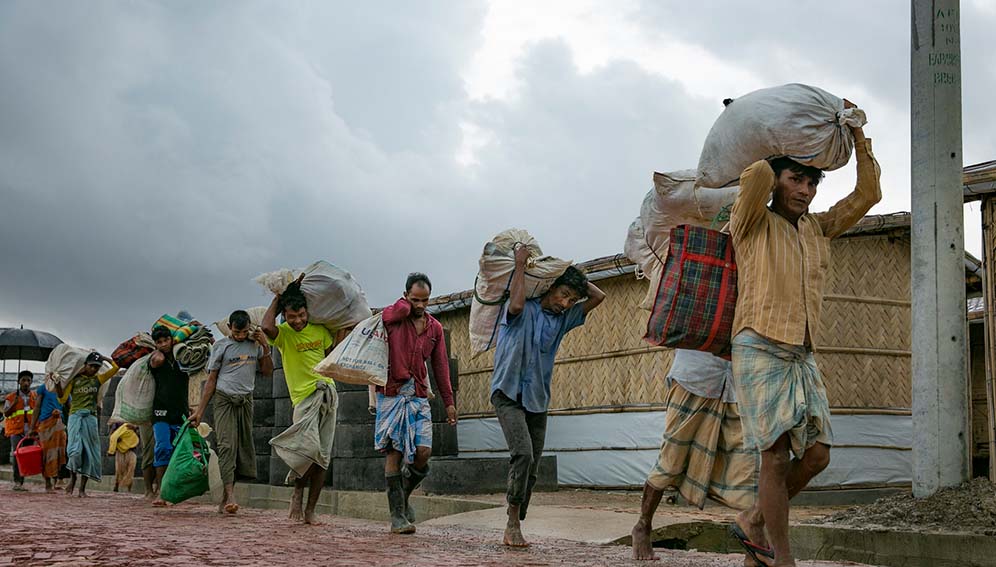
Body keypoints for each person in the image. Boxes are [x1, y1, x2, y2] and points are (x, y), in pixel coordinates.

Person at [728, 105, 881, 567]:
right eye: (796, 178)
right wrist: (779, 142)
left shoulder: (819, 228)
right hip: (758, 343)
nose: (806, 190)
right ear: (777, 181)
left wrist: (857, 137)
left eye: (812, 182)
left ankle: (754, 518)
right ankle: (783, 558)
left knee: (817, 455)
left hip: (801, 353)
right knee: (773, 458)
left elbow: (868, 194)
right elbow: (754, 173)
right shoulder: (751, 220)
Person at [490, 251, 606, 547]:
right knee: (523, 454)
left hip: (537, 399)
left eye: (570, 300)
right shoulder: (522, 308)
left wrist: (569, 271)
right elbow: (515, 303)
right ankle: (512, 523)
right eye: (563, 295)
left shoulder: (562, 320)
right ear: (550, 287)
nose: (565, 303)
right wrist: (520, 265)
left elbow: (598, 296)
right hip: (507, 393)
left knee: (534, 466)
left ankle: (517, 514)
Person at [631, 349, 759, 561]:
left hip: (737, 385)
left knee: (745, 465)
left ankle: (755, 549)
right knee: (671, 459)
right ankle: (643, 525)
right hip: (694, 377)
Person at [377, 273, 458, 534]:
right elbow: (388, 316)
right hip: (391, 393)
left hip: (419, 394)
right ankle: (397, 517)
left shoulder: (434, 328)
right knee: (394, 451)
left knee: (423, 452)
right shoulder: (395, 317)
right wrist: (405, 305)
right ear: (405, 295)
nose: (421, 305)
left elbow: (441, 366)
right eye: (415, 299)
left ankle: (403, 496)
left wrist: (449, 402)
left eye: (425, 300)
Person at [263, 278, 341, 525]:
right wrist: (279, 296)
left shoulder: (319, 330)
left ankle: (311, 510)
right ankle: (296, 492)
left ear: (308, 312)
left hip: (328, 395)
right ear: (284, 315)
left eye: (301, 315)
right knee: (307, 451)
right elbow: (266, 326)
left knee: (323, 457)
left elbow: (333, 354)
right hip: (303, 400)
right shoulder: (284, 335)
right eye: (291, 316)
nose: (297, 321)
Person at [190, 309, 274, 514]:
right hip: (224, 399)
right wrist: (200, 411)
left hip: (246, 400)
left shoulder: (255, 344)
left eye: (243, 332)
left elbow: (267, 371)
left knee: (241, 448)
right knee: (226, 444)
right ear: (229, 328)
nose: (240, 336)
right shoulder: (221, 347)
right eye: (236, 332)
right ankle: (231, 494)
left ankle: (227, 497)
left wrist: (264, 344)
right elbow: (211, 381)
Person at [57, 352, 119, 497]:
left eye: (97, 367)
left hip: (91, 418)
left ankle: (82, 489)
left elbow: (116, 367)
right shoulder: (74, 380)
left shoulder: (98, 379)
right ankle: (72, 479)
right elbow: (62, 399)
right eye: (91, 366)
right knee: (75, 450)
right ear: (85, 365)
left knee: (89, 453)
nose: (94, 369)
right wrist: (57, 383)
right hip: (75, 417)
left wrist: (103, 358)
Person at [148, 325, 190, 506]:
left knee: (177, 453)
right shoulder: (156, 359)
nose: (164, 344)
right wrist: (159, 351)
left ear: (172, 340)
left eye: (166, 340)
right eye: (159, 342)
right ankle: (161, 491)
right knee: (163, 447)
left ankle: (173, 491)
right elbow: (156, 360)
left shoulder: (184, 357)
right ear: (155, 344)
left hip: (181, 411)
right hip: (160, 412)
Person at [28, 379, 68, 492]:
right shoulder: (43, 388)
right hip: (45, 424)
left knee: (60, 453)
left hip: (59, 424)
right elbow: (37, 407)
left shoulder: (65, 389)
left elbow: (69, 407)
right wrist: (32, 428)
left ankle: (57, 481)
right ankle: (47, 483)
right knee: (46, 454)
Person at [3, 371, 37, 491]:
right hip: (16, 430)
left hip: (31, 431)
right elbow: (6, 413)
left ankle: (23, 479)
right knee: (17, 455)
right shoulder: (11, 397)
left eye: (28, 380)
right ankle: (18, 482)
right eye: (23, 380)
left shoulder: (35, 396)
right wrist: (14, 403)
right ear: (18, 382)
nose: (26, 383)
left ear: (31, 382)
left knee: (27, 456)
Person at [107, 422, 140, 493]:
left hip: (131, 449)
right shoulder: (117, 423)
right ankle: (116, 485)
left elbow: (139, 433)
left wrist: (135, 427)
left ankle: (129, 489)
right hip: (120, 449)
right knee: (119, 469)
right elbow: (112, 436)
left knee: (131, 469)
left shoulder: (134, 421)